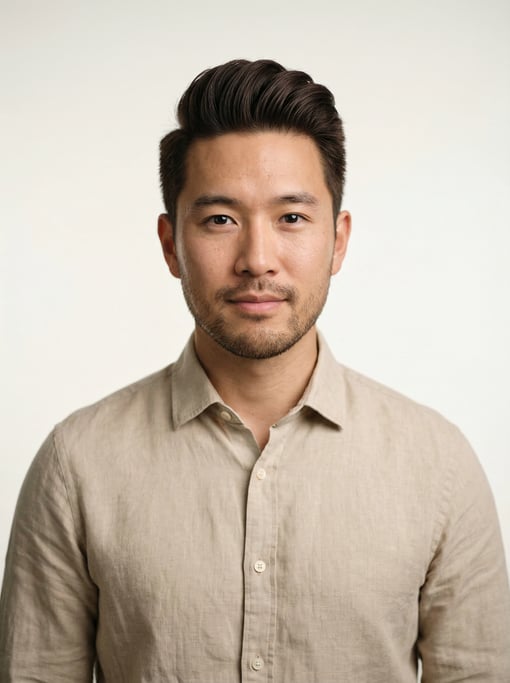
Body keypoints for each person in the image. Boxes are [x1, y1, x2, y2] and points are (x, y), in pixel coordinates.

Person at [0, 59, 509, 683]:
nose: (257, 259)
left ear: (339, 240)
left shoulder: (438, 465)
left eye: (291, 217)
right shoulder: (76, 464)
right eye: (220, 219)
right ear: (170, 245)